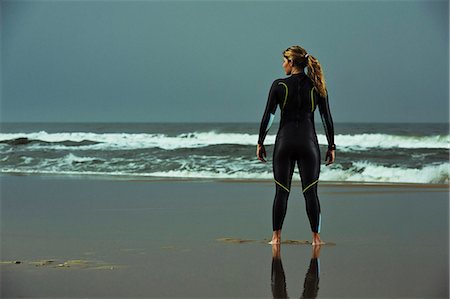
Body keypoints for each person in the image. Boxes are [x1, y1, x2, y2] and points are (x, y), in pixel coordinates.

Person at [256, 45, 335, 246]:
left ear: (292, 63)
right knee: (311, 192)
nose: (283, 65)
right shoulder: (317, 86)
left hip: (285, 144)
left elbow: (269, 117)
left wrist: (260, 142)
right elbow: (327, 119)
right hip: (309, 144)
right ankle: (316, 239)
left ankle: (275, 238)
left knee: (281, 191)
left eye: (284, 61)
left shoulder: (278, 85)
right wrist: (332, 146)